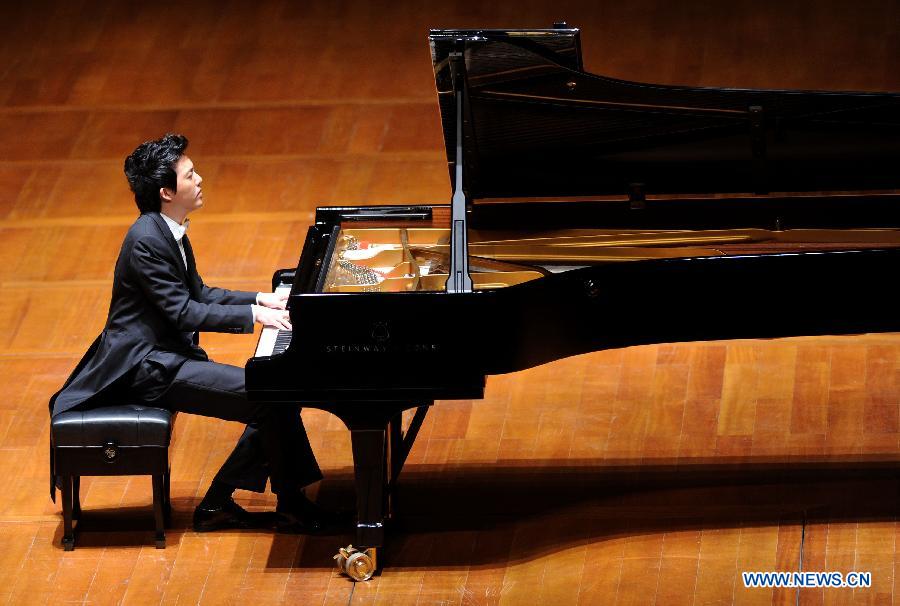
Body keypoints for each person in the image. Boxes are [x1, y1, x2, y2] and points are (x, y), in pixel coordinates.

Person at [50, 133, 329, 533]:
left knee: (275, 395)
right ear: (166, 191)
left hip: (165, 356)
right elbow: (183, 312)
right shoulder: (147, 240)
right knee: (271, 395)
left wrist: (260, 298)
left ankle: (253, 502)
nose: (199, 179)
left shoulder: (169, 228)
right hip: (147, 367)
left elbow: (198, 292)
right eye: (190, 174)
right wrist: (253, 316)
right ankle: (252, 503)